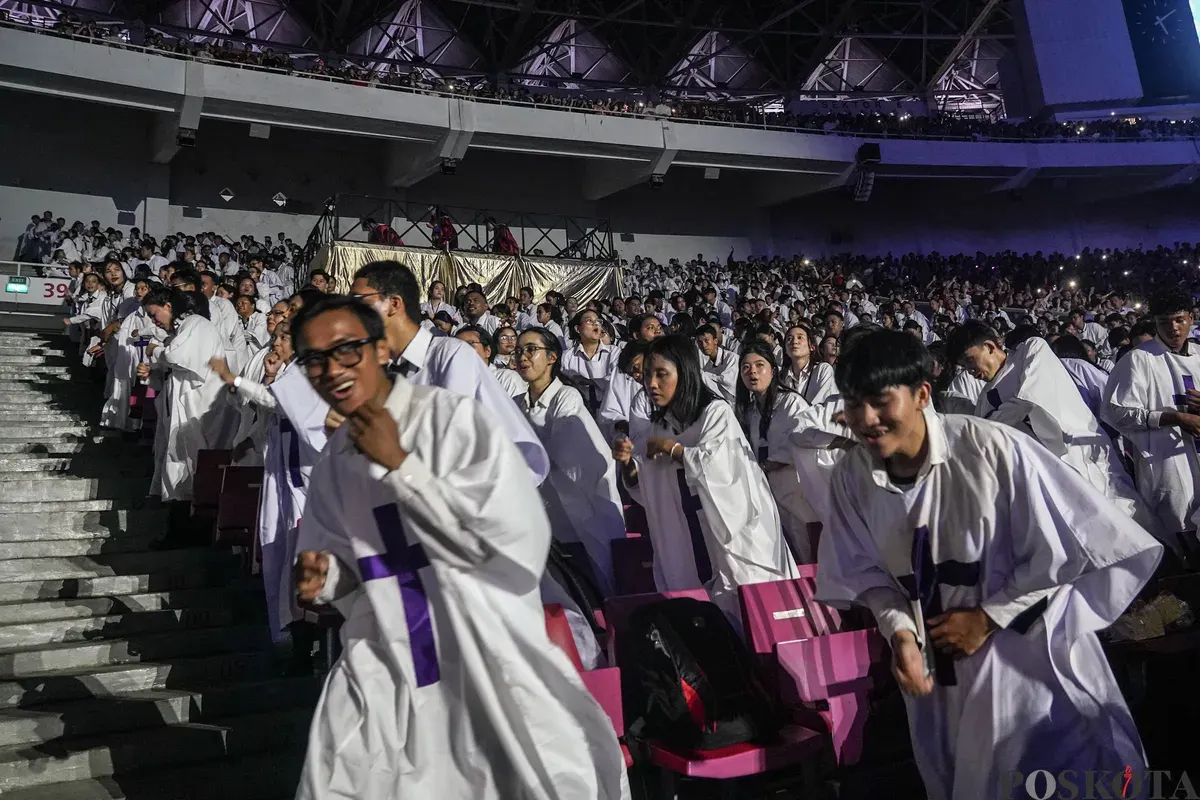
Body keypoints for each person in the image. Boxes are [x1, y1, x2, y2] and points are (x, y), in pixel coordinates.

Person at [288, 295, 629, 800]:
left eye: (346, 351)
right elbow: (351, 565)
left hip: (480, 648)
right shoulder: (336, 461)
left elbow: (515, 540)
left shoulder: (453, 423)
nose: (330, 370)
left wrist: (404, 466)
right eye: (313, 361)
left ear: (382, 349)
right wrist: (327, 578)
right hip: (387, 661)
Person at [814, 329, 1158, 800]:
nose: (867, 419)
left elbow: (1070, 548)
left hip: (1025, 657)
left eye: (880, 401)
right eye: (854, 404)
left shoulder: (990, 449)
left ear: (921, 395)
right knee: (965, 777)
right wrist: (899, 632)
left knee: (1052, 775)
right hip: (943, 674)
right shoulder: (853, 477)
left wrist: (987, 618)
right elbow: (865, 573)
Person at [611, 335, 798, 620]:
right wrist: (627, 465)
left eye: (662, 374)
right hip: (689, 539)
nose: (651, 383)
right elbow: (650, 487)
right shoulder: (661, 425)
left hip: (733, 539)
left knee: (747, 614)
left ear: (684, 372)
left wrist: (672, 449)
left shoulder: (715, 413)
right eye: (647, 374)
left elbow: (719, 469)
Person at [349, 260, 549, 483]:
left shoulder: (450, 355)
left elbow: (454, 447)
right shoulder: (381, 371)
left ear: (394, 304)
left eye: (359, 302)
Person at [948, 321, 1155, 534]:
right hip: (1048, 476)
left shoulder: (1030, 350)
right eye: (964, 366)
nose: (970, 371)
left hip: (1081, 454)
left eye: (970, 360)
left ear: (990, 347)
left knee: (1125, 520)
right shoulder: (985, 399)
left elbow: (1027, 399)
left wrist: (990, 423)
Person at [515, 327, 626, 597]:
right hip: (540, 523)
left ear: (552, 357)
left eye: (531, 349)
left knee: (584, 598)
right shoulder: (516, 403)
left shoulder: (566, 398)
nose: (523, 357)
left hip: (575, 521)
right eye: (519, 351)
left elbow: (563, 456)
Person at [1104, 288, 1200, 557]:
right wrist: (1174, 418)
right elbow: (1116, 412)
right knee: (1181, 533)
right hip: (1167, 462)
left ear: (1191, 319)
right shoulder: (1138, 359)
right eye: (1164, 322)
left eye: (1179, 319)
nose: (1173, 328)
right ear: (1154, 323)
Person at [136, 286, 237, 501]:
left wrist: (156, 351)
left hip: (201, 407)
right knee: (181, 461)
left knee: (193, 464)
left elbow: (176, 357)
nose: (154, 321)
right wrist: (154, 371)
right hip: (187, 404)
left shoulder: (196, 324)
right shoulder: (182, 330)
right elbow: (178, 369)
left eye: (155, 314)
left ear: (168, 306)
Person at [734, 340, 815, 563]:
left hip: (795, 491)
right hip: (765, 494)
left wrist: (768, 464)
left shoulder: (792, 403)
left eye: (759, 365)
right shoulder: (749, 412)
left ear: (773, 370)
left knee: (805, 553)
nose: (752, 372)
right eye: (746, 368)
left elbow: (804, 439)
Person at [560, 310, 618, 415]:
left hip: (609, 412)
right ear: (577, 329)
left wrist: (587, 381)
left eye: (598, 321)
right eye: (589, 321)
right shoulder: (567, 357)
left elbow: (616, 381)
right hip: (577, 412)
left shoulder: (614, 352)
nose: (595, 324)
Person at [455, 325, 524, 397]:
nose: (462, 350)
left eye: (469, 345)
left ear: (487, 351)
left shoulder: (507, 379)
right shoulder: (454, 384)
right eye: (457, 347)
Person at [780, 323, 838, 404]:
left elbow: (823, 406)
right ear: (785, 349)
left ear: (812, 347)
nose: (794, 342)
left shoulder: (823, 370)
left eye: (800, 337)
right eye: (789, 339)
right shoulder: (781, 378)